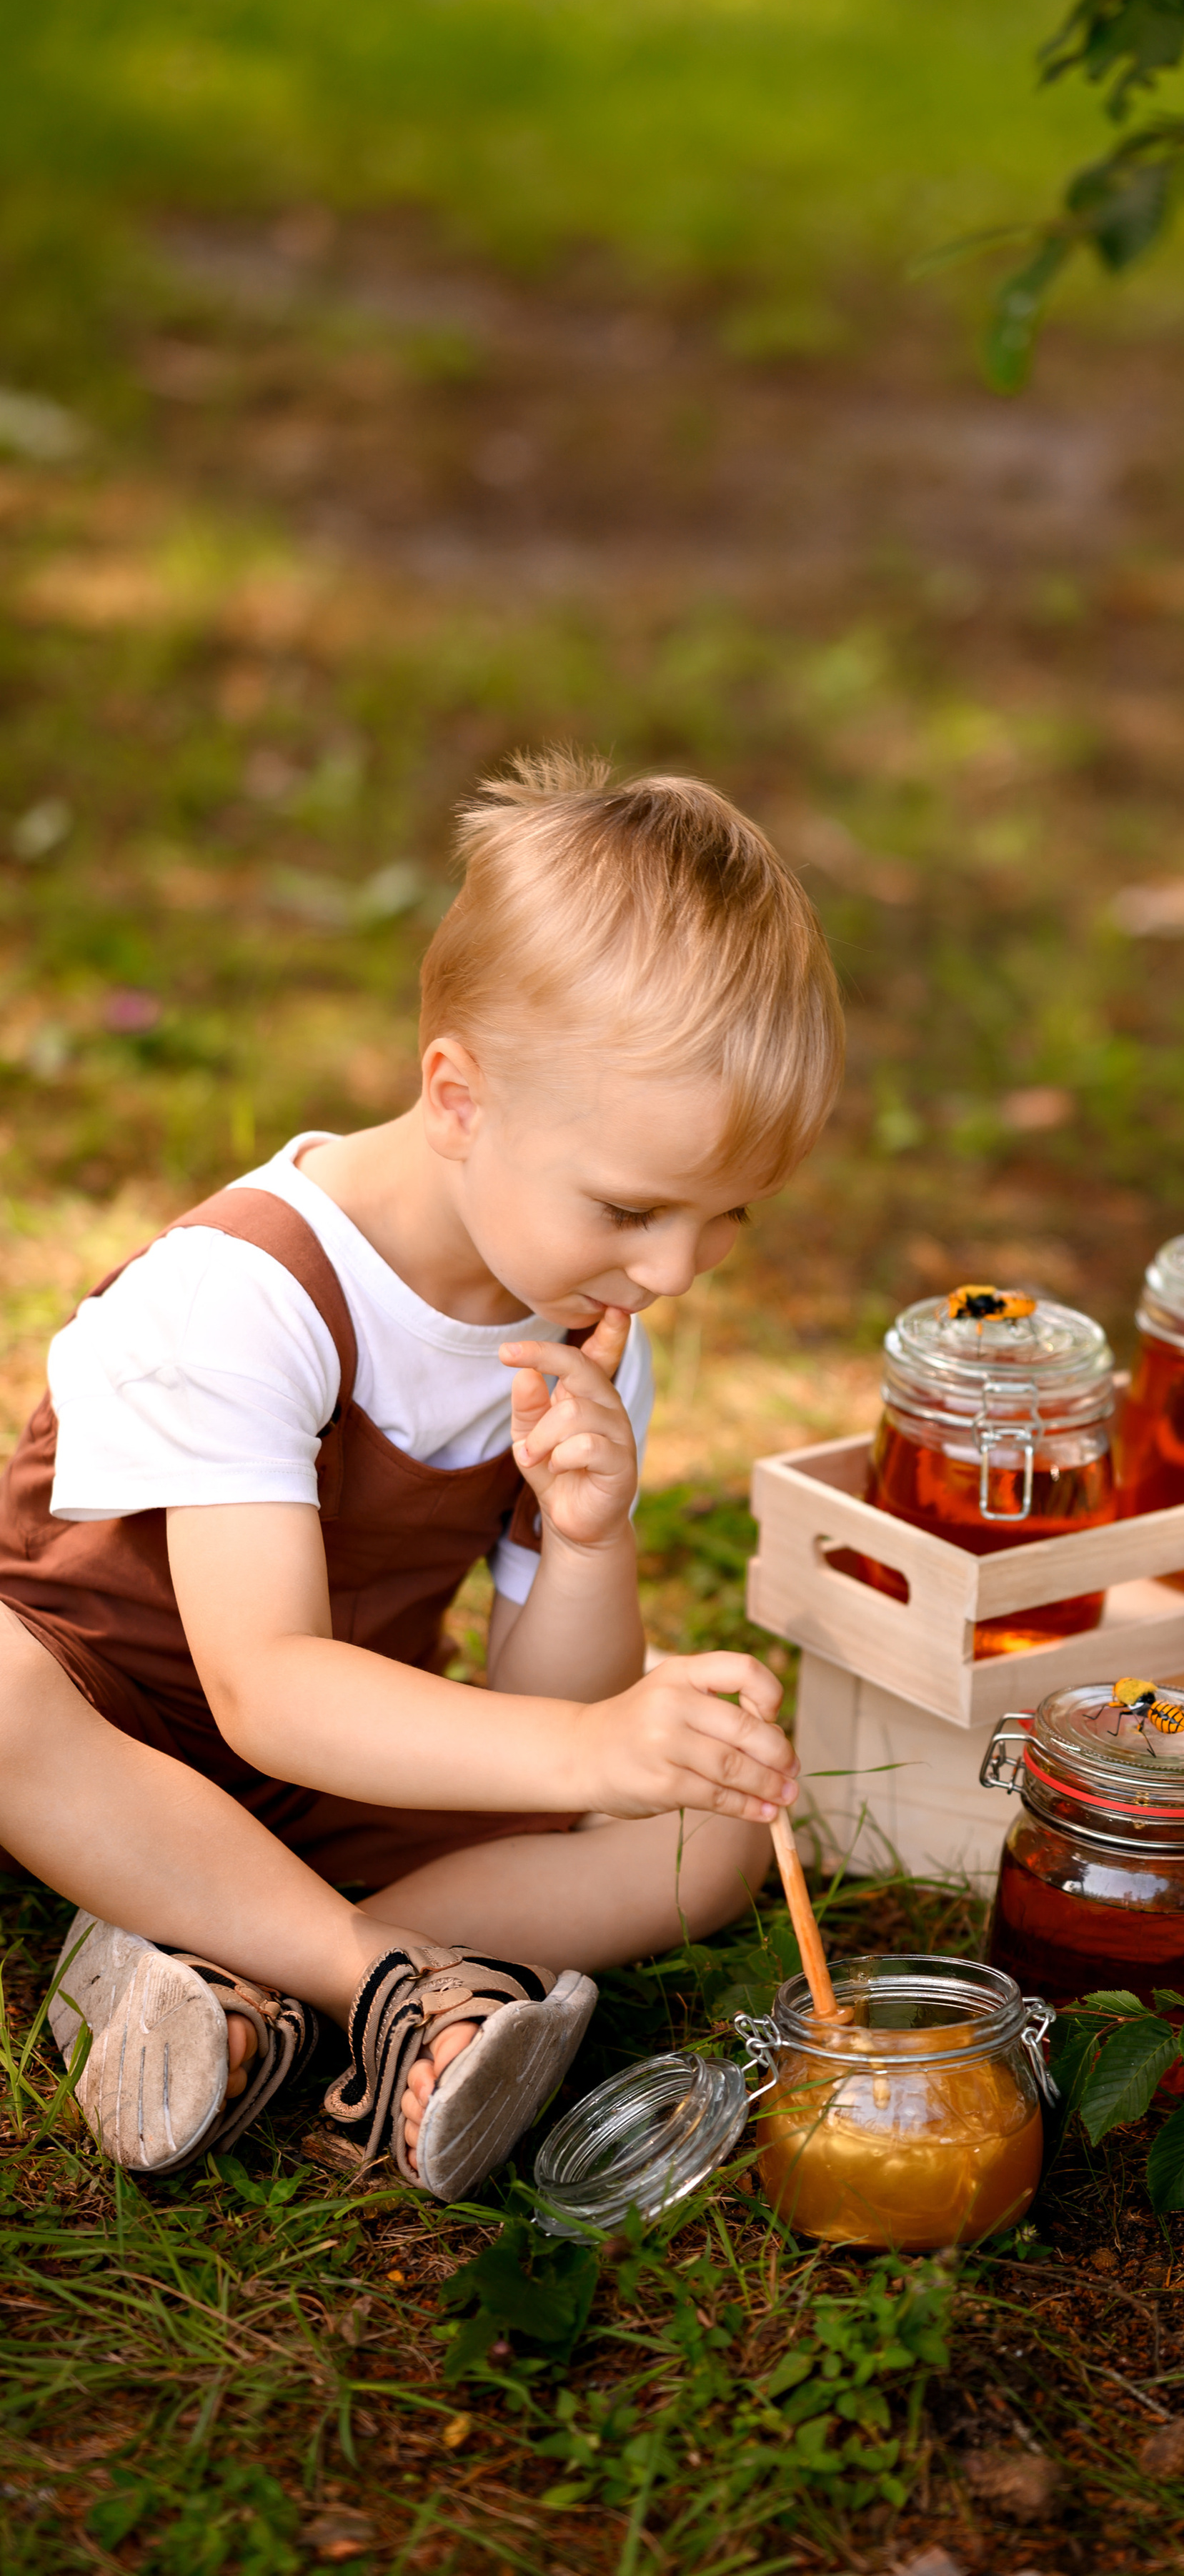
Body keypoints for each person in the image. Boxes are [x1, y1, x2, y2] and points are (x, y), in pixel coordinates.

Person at [0, 754, 843, 2198]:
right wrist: (583, 1757)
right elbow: (264, 1686)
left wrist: (585, 1543)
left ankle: (230, 1988)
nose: (673, 1269)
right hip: (109, 1739)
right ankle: (377, 1978)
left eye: (726, 1218)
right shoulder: (248, 1291)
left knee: (715, 1832)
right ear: (456, 1097)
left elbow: (542, 1719)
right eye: (633, 1207)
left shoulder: (582, 1317)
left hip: (343, 1772)